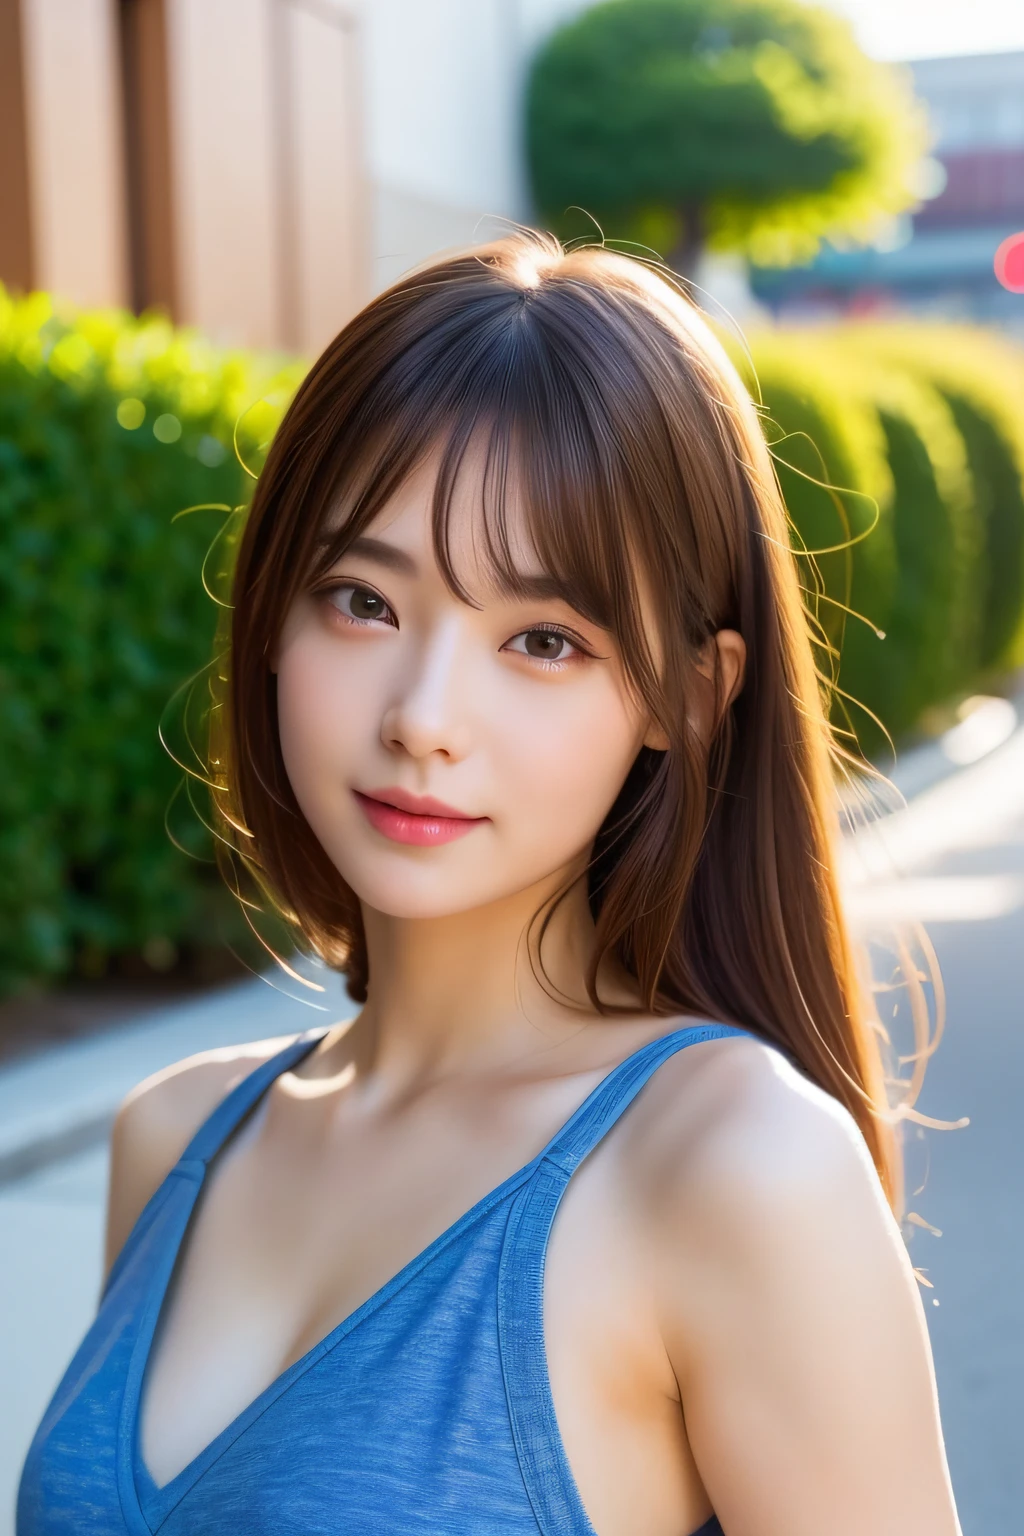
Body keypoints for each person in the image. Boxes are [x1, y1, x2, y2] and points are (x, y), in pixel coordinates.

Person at [18, 233, 960, 1536]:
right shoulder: (174, 1137)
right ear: (273, 620)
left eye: (542, 640)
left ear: (691, 696)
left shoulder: (733, 1167)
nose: (423, 717)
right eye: (362, 600)